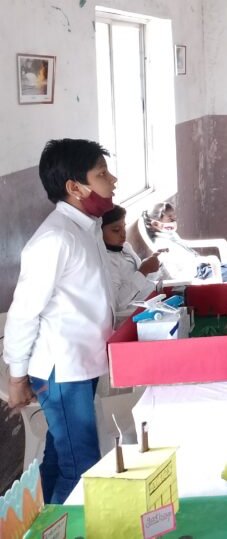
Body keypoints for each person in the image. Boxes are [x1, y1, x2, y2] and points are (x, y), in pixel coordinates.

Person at [2, 139, 117, 503]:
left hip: (81, 364)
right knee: (81, 469)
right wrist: (17, 377)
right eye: (102, 174)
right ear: (74, 187)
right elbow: (24, 312)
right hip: (62, 371)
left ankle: (40, 522)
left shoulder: (85, 228)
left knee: (58, 458)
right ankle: (67, 525)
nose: (112, 180)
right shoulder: (55, 239)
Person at [143, 201, 227, 282]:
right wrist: (206, 260)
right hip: (201, 274)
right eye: (169, 218)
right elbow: (180, 270)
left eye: (174, 216)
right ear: (155, 224)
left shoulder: (170, 235)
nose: (174, 220)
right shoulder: (162, 245)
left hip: (206, 266)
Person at [102, 205, 164, 315]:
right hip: (135, 315)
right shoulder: (107, 261)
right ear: (99, 232)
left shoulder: (125, 247)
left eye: (124, 227)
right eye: (116, 230)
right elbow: (117, 303)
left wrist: (153, 264)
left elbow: (143, 279)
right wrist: (144, 270)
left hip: (151, 299)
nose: (123, 234)